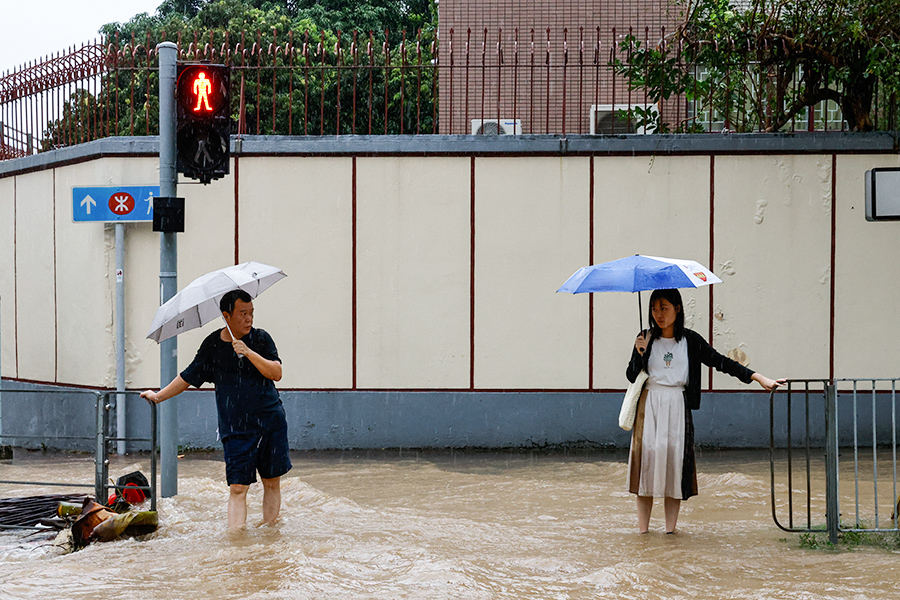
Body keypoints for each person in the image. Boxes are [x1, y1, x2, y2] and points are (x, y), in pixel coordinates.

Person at [625, 288, 783, 534]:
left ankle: (670, 533)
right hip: (649, 406)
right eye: (654, 308)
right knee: (647, 468)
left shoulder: (691, 340)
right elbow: (631, 375)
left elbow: (720, 361)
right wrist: (639, 353)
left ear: (678, 309)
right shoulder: (645, 338)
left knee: (673, 468)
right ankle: (642, 533)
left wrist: (757, 377)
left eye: (664, 308)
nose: (658, 314)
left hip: (677, 405)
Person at [141, 289, 291, 529]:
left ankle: (270, 534)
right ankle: (236, 543)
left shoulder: (262, 339)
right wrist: (158, 397)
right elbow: (188, 376)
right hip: (236, 429)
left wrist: (248, 352)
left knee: (271, 482)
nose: (249, 319)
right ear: (226, 315)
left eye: (251, 313)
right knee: (238, 487)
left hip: (271, 422)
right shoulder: (212, 346)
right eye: (242, 313)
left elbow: (277, 373)